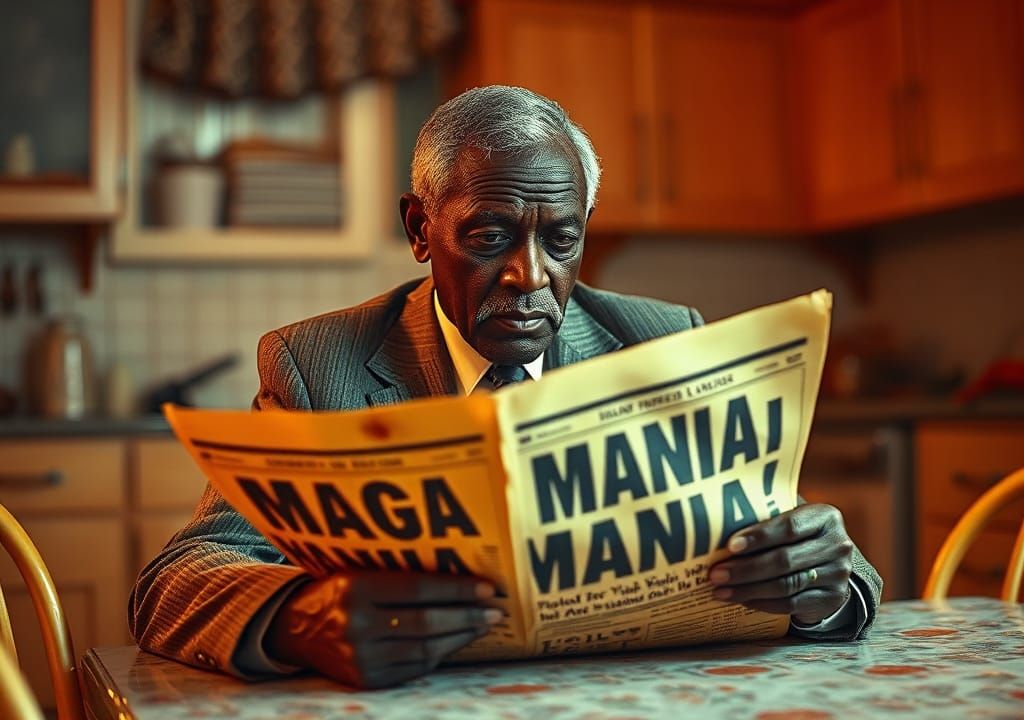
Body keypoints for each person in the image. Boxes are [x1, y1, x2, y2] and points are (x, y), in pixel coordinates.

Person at [130, 85, 881, 689]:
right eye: (489, 236)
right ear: (420, 229)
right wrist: (299, 617)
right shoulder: (316, 362)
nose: (531, 278)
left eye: (562, 240)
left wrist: (824, 586)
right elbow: (174, 581)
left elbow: (820, 556)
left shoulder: (664, 341)